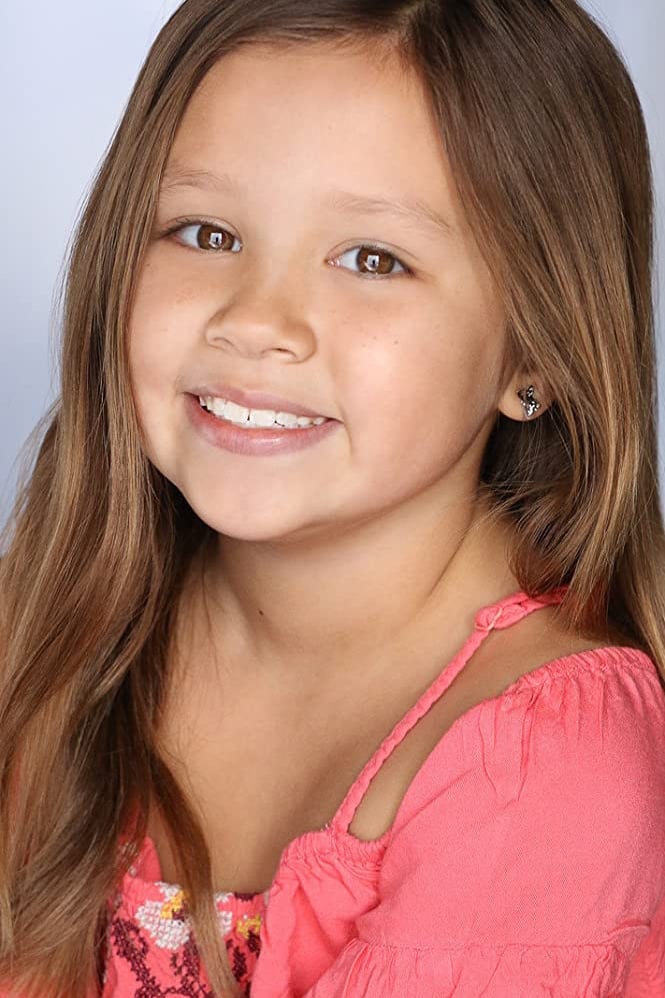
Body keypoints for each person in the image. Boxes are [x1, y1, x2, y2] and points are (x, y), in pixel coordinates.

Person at [2, 0, 665, 994]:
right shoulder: (36, 629)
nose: (255, 320)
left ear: (532, 352)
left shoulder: (546, 765)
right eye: (205, 232)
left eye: (371, 259)